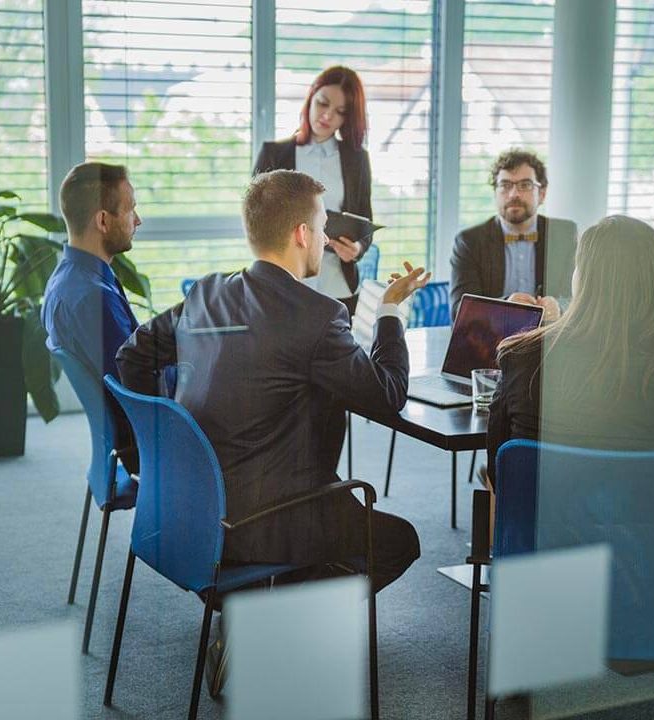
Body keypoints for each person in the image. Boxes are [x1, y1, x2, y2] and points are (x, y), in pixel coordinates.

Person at [117, 169, 426, 591]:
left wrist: (168, 446)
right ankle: (277, 619)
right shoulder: (319, 316)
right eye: (321, 229)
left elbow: (131, 357)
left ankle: (255, 609)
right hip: (271, 521)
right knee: (400, 542)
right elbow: (387, 395)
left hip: (189, 508)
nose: (323, 240)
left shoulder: (205, 294)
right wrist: (390, 311)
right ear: (302, 233)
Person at [485, 215, 654, 490]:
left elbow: (498, 476)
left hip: (545, 533)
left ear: (582, 279)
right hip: (646, 532)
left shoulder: (521, 357)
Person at [253, 65, 373, 317]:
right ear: (311, 98)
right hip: (284, 287)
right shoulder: (274, 155)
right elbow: (256, 221)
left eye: (339, 112)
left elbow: (365, 222)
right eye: (322, 103)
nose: (327, 116)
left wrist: (357, 249)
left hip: (338, 286)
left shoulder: (356, 160)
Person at [43, 161, 141, 462]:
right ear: (103, 221)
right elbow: (139, 388)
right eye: (130, 210)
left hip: (117, 442)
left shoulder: (65, 280)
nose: (138, 220)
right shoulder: (94, 299)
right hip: (147, 444)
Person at [449, 148, 576, 322]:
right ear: (495, 192)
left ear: (542, 194)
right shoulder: (469, 241)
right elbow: (459, 311)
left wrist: (560, 307)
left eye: (525, 185)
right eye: (505, 185)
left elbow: (582, 299)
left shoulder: (565, 235)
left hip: (550, 341)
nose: (514, 194)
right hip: (492, 342)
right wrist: (505, 306)